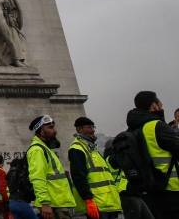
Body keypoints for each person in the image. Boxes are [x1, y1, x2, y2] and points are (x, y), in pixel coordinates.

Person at [127, 91, 179, 219]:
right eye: (159, 102)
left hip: (149, 189)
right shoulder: (157, 125)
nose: (161, 105)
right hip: (171, 189)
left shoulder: (133, 129)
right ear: (153, 105)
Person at [68, 117, 121, 219]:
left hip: (108, 204)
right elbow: (79, 177)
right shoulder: (77, 149)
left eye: (93, 127)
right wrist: (88, 200)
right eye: (89, 127)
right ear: (79, 129)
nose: (93, 130)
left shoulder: (93, 149)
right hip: (96, 205)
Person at [26, 115, 75, 219]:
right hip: (52, 206)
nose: (55, 131)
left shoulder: (45, 149)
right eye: (50, 128)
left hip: (58, 204)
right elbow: (37, 178)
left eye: (54, 127)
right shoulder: (37, 150)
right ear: (40, 131)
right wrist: (45, 203)